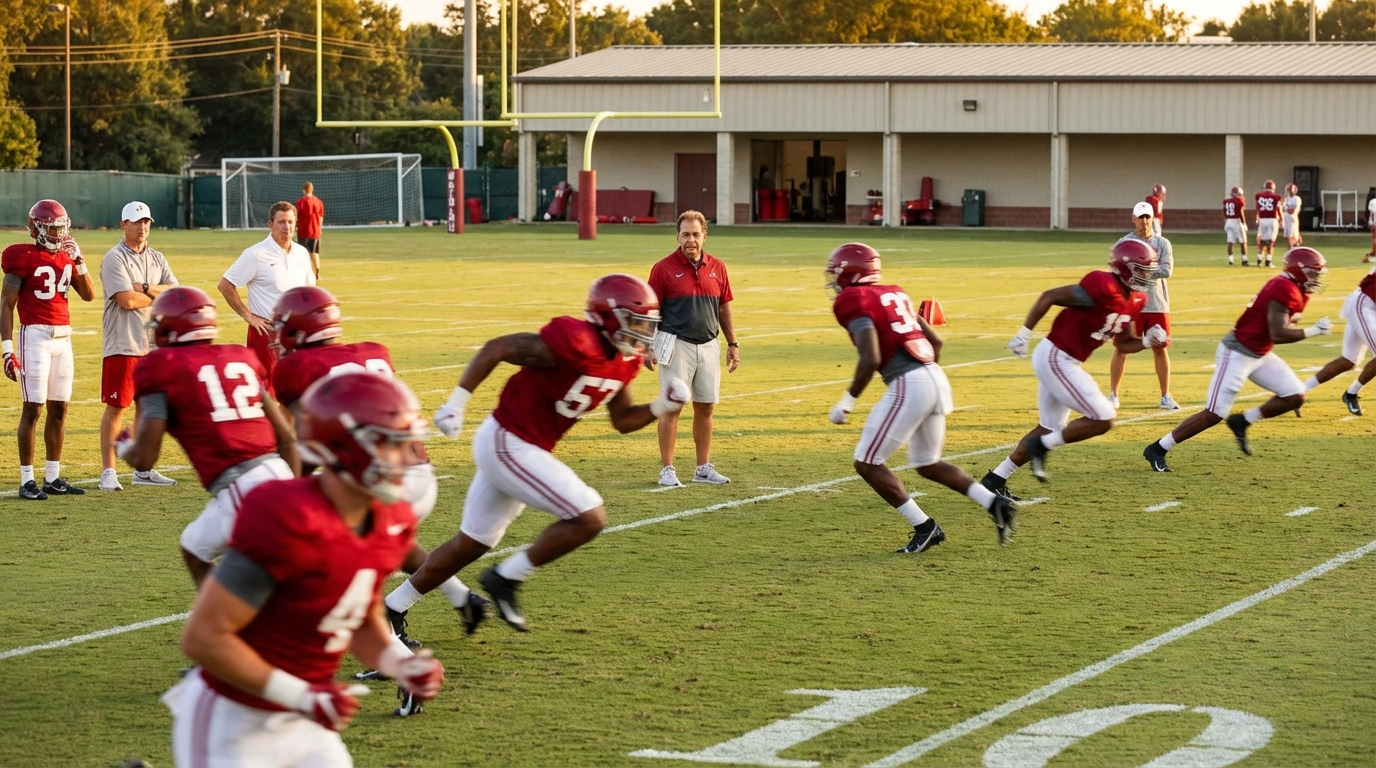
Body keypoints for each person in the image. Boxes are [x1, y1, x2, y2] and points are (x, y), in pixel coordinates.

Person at [167, 371, 445, 767]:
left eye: (407, 442)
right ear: (340, 446)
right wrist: (301, 695)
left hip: (307, 714)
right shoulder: (285, 515)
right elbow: (204, 638)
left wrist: (400, 664)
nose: (406, 459)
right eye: (389, 444)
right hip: (232, 718)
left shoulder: (393, 519)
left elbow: (357, 615)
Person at [386, 274, 688, 635]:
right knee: (589, 516)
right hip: (508, 440)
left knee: (473, 543)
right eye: (635, 323)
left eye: (646, 325)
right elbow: (498, 347)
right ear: (608, 317)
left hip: (522, 446)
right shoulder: (574, 342)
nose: (642, 333)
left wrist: (661, 405)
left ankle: (393, 607)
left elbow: (622, 420)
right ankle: (505, 578)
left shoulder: (623, 361)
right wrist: (456, 403)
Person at [270, 286, 486, 680]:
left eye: (281, 327)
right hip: (419, 472)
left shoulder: (296, 368)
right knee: (390, 542)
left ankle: (392, 654)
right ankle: (461, 597)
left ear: (297, 330)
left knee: (330, 564)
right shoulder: (372, 352)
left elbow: (311, 444)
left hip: (376, 478)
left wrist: (286, 489)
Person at [825, 243, 1015, 551]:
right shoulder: (895, 292)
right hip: (935, 377)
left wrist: (847, 402)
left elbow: (870, 357)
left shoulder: (852, 299)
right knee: (928, 464)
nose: (834, 281)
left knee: (867, 463)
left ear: (851, 273)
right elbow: (935, 341)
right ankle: (993, 503)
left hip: (910, 383)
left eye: (836, 273)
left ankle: (925, 527)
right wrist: (924, 377)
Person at [117, 287, 300, 585]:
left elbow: (144, 459)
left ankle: (227, 612)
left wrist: (124, 447)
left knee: (268, 580)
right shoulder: (241, 357)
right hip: (278, 473)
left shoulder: (162, 366)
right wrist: (293, 489)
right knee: (195, 547)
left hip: (243, 487)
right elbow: (288, 438)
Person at [980, 240, 1165, 498]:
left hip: (1064, 360)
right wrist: (1024, 333)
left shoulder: (1137, 298)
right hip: (1056, 356)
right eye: (1141, 270)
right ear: (1125, 268)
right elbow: (1050, 296)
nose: (1146, 276)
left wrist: (1147, 341)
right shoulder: (1102, 285)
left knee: (1049, 428)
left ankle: (994, 480)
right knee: (1103, 417)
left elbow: (1123, 343)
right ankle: (1040, 446)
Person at [1143, 248, 1331, 472]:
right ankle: (1158, 448)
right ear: (1298, 270)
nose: (1316, 277)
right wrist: (1315, 331)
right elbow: (1279, 334)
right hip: (1237, 352)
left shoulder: (1298, 289)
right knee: (1214, 413)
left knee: (1294, 395)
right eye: (1313, 272)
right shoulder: (1284, 288)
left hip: (1260, 353)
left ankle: (1242, 421)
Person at [1, 199, 95, 500]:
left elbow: (89, 294)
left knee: (60, 407)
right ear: (36, 228)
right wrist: (7, 350)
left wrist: (79, 260)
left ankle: (52, 477)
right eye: (52, 228)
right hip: (35, 335)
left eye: (60, 228)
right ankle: (27, 480)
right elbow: (6, 305)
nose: (58, 234)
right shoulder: (20, 256)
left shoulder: (67, 255)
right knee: (33, 408)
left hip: (63, 337)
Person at [647, 210, 739, 487]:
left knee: (706, 407)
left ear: (704, 236)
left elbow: (724, 307)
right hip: (676, 344)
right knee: (672, 407)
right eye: (685, 234)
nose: (691, 240)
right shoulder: (662, 268)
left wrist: (733, 343)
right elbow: (651, 310)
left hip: (709, 344)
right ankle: (667, 469)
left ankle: (703, 468)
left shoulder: (718, 267)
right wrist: (647, 345)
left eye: (696, 234)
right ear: (677, 236)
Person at [97, 201, 179, 492]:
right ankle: (108, 471)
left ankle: (142, 469)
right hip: (124, 343)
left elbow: (175, 294)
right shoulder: (114, 258)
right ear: (123, 225)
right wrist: (156, 294)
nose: (142, 227)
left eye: (146, 221)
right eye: (136, 221)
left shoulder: (157, 257)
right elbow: (126, 301)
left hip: (153, 346)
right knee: (117, 407)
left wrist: (143, 288)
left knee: (148, 408)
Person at [218, 201, 315, 395]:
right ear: (270, 224)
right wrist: (248, 316)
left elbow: (309, 291)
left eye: (290, 222)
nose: (286, 227)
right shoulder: (255, 254)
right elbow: (225, 285)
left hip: (296, 332)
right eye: (281, 222)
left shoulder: (302, 253)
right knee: (268, 392)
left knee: (297, 389)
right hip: (267, 333)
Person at [1108, 202, 1178, 410]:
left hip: (1157, 303)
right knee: (1121, 348)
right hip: (1131, 304)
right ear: (1133, 219)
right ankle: (1113, 395)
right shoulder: (1124, 243)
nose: (1144, 221)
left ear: (1153, 219)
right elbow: (1116, 271)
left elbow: (1167, 270)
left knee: (1160, 346)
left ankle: (1165, 396)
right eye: (1141, 217)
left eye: (1148, 217)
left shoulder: (1162, 243)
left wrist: (1142, 266)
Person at [1297, 263, 1376, 417]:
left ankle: (1298, 392)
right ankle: (1351, 394)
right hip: (1365, 303)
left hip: (1367, 304)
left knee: (1349, 360)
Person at [295, 182, 325, 280]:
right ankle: (317, 272)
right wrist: (319, 229)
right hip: (315, 231)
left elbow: (297, 216)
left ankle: (305, 274)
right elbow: (321, 217)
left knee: (302, 254)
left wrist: (295, 227)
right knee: (315, 252)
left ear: (303, 190)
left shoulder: (301, 202)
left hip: (303, 231)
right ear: (312, 190)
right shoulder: (319, 202)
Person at [1254, 180, 1283, 268]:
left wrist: (1257, 217)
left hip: (1262, 219)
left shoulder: (1258, 196)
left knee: (1262, 241)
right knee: (1271, 241)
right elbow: (1279, 209)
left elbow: (1257, 207)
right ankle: (1268, 261)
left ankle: (1259, 260)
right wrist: (1281, 219)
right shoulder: (1277, 197)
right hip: (1272, 220)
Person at [1224, 186, 1250, 266]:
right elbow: (1241, 212)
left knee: (1230, 242)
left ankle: (1231, 260)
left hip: (1228, 221)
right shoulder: (1239, 200)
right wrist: (1244, 223)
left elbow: (1224, 212)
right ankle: (1244, 260)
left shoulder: (1226, 201)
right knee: (1243, 241)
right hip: (1237, 221)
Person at [1282, 183, 1303, 250]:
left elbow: (1292, 210)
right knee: (1287, 236)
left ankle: (1294, 247)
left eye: (1289, 191)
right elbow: (1283, 209)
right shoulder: (1286, 199)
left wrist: (1287, 209)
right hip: (1286, 219)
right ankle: (1291, 249)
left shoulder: (1296, 198)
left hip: (1292, 218)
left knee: (1292, 236)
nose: (1287, 193)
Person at [1365, 194, 1376, 263]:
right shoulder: (1373, 201)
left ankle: (1374, 253)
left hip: (1374, 223)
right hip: (1374, 224)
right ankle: (1374, 253)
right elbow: (1372, 214)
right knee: (1375, 238)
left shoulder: (1373, 201)